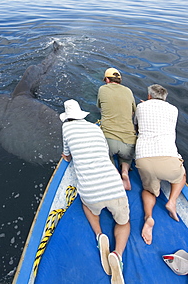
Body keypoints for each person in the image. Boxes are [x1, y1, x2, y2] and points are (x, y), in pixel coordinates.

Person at [60, 99, 130, 284]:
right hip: (114, 186)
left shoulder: (66, 129)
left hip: (91, 193)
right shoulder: (95, 128)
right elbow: (105, 151)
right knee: (123, 223)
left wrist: (67, 156)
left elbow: (67, 156)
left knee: (88, 205)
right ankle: (118, 254)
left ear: (67, 118)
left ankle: (100, 235)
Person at [134, 84, 186, 245]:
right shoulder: (174, 110)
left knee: (149, 191)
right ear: (165, 98)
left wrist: (142, 106)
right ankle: (172, 201)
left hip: (145, 159)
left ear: (149, 96)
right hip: (168, 159)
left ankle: (148, 216)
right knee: (181, 176)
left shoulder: (141, 107)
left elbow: (136, 126)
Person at [97, 67, 137, 190]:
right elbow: (133, 111)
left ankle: (115, 174)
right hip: (128, 141)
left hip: (109, 139)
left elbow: (99, 105)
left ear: (107, 80)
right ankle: (124, 171)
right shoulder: (128, 91)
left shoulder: (102, 89)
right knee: (126, 157)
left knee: (105, 155)